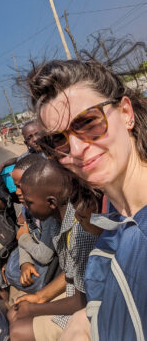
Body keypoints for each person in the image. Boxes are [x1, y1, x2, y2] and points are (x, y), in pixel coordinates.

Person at [22, 58, 147, 340]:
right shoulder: (115, 214)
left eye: (88, 122)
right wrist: (86, 319)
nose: (76, 149)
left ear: (126, 112)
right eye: (58, 140)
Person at [8, 159, 99, 341]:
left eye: (29, 201)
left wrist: (35, 308)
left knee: (18, 330)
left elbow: (83, 300)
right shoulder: (58, 221)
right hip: (77, 294)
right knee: (14, 313)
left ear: (51, 202)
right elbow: (71, 273)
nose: (24, 203)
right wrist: (40, 297)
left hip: (90, 307)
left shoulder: (80, 231)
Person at [4, 154, 60, 294]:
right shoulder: (27, 208)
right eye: (15, 186)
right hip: (34, 249)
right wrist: (25, 263)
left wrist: (23, 239)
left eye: (20, 186)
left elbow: (44, 255)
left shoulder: (50, 216)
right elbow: (25, 231)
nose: (17, 192)